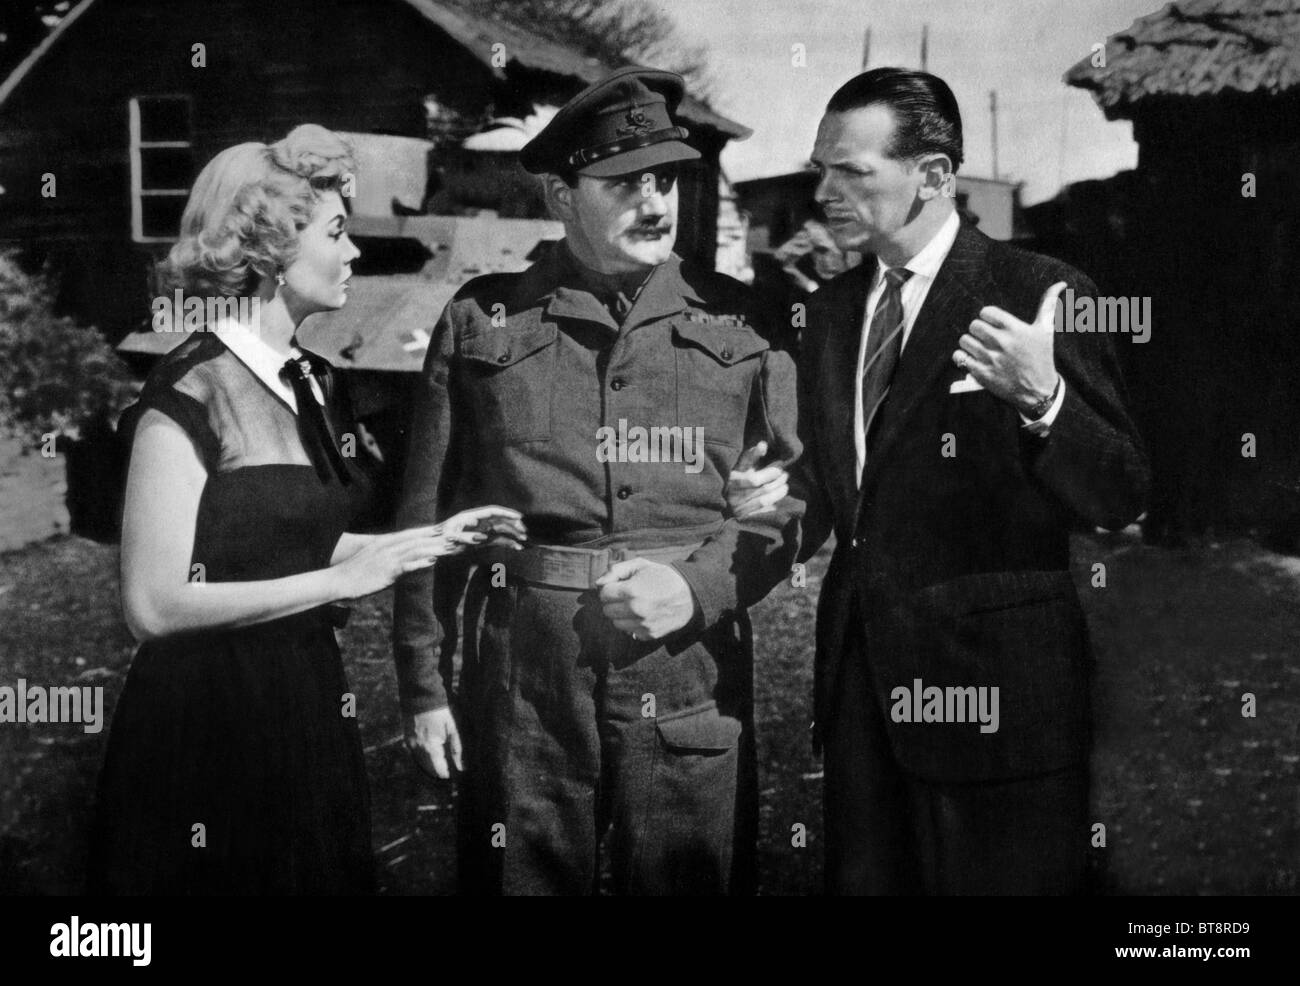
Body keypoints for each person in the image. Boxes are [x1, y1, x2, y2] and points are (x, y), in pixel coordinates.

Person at [728, 68, 1149, 894]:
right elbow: (843, 483)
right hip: (862, 701)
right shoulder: (835, 311)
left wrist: (1045, 398)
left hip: (1002, 705)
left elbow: (1121, 492)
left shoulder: (1042, 295)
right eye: (822, 168)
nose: (825, 191)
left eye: (852, 170)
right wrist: (780, 493)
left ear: (935, 176)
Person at [392, 67, 803, 895]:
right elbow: (428, 519)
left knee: (690, 880)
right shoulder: (483, 321)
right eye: (623, 184)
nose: (656, 205)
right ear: (559, 195)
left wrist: (700, 588)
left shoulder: (746, 320)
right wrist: (422, 684)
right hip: (527, 667)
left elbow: (797, 500)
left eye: (666, 180)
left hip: (690, 661)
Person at [88, 125, 520, 895]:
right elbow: (152, 605)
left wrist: (427, 542)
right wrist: (342, 582)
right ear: (270, 247)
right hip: (207, 724)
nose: (354, 253)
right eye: (336, 232)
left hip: (306, 699)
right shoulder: (188, 393)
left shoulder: (312, 380)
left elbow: (294, 540)